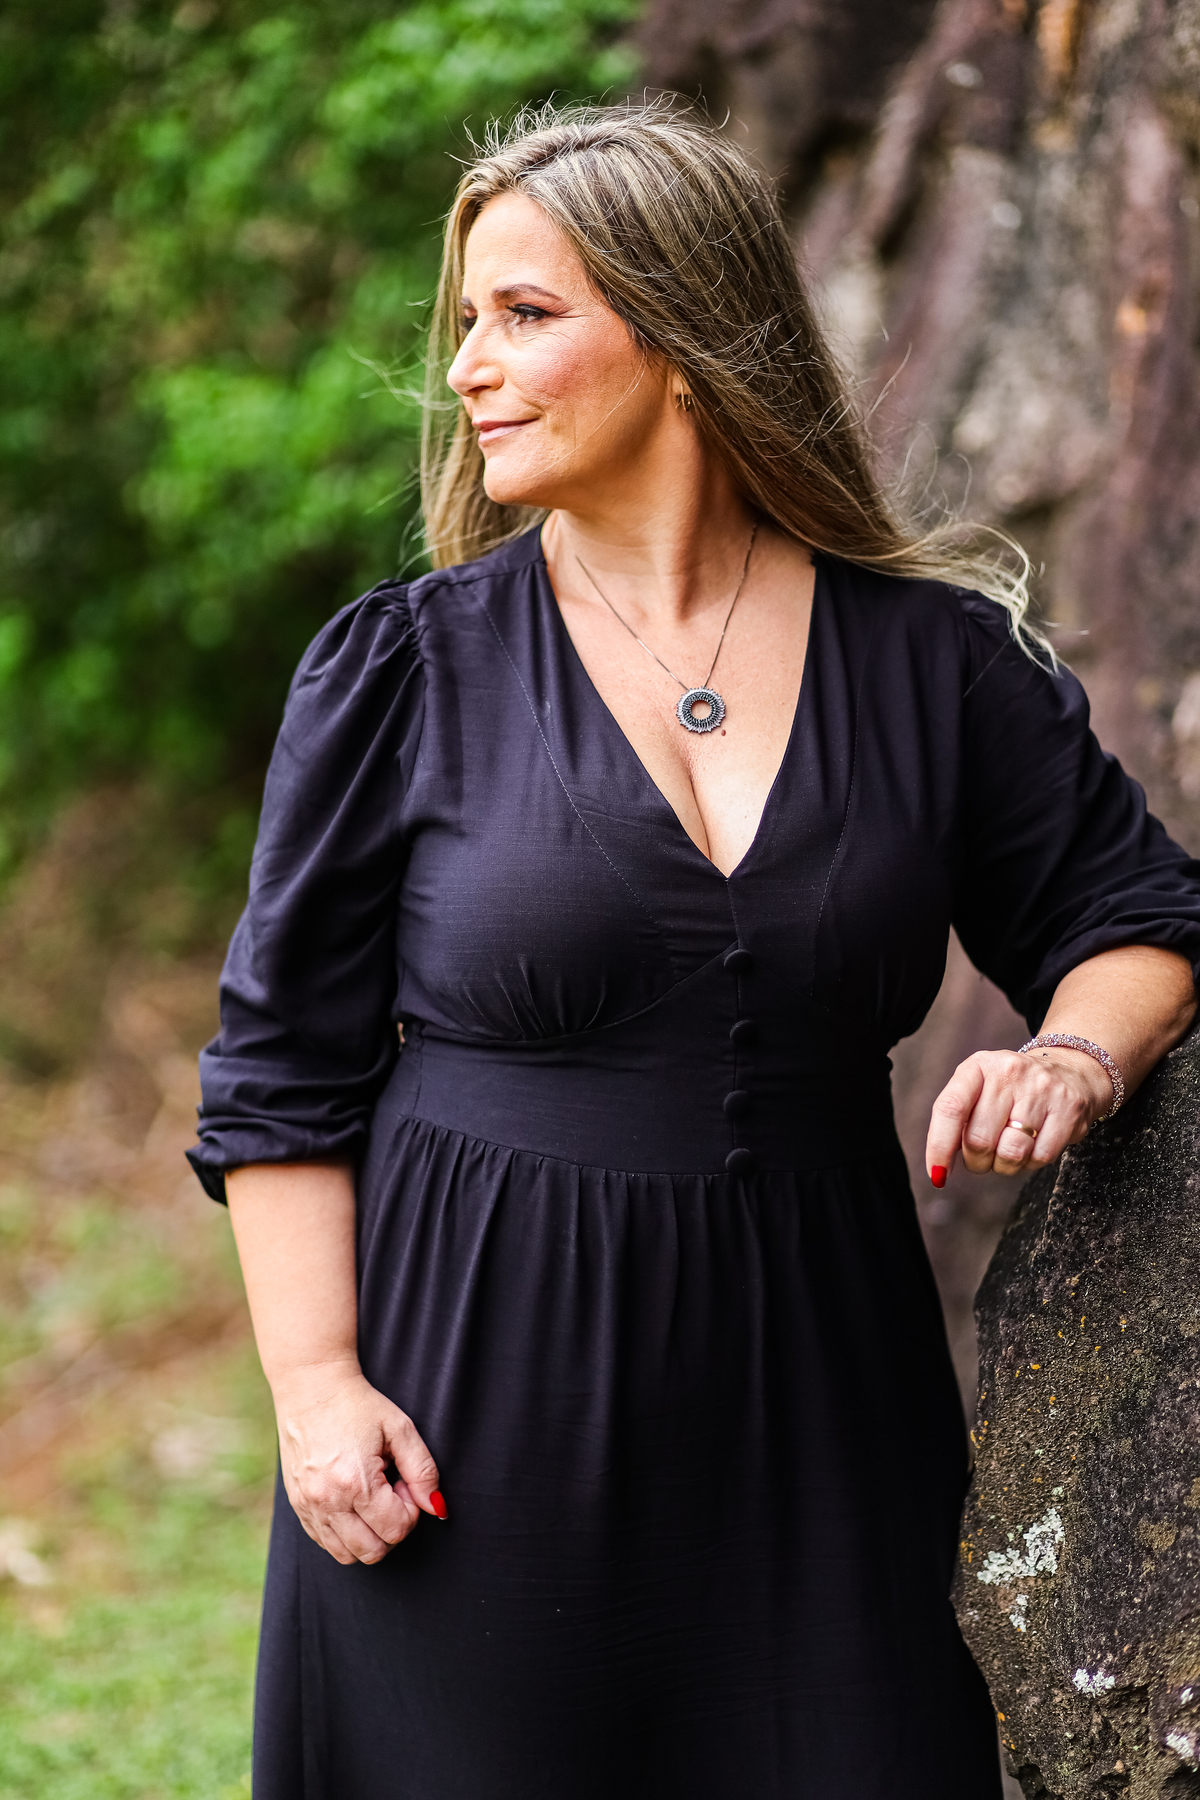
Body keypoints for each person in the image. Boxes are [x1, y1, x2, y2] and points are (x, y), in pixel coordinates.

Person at [188, 102, 1200, 1799]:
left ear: (678, 338)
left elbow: (1139, 919)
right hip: (471, 1405)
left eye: (525, 315)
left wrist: (1075, 1056)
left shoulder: (937, 665)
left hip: (826, 1400)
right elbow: (280, 1068)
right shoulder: (404, 670)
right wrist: (315, 1387)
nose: (467, 370)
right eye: (467, 323)